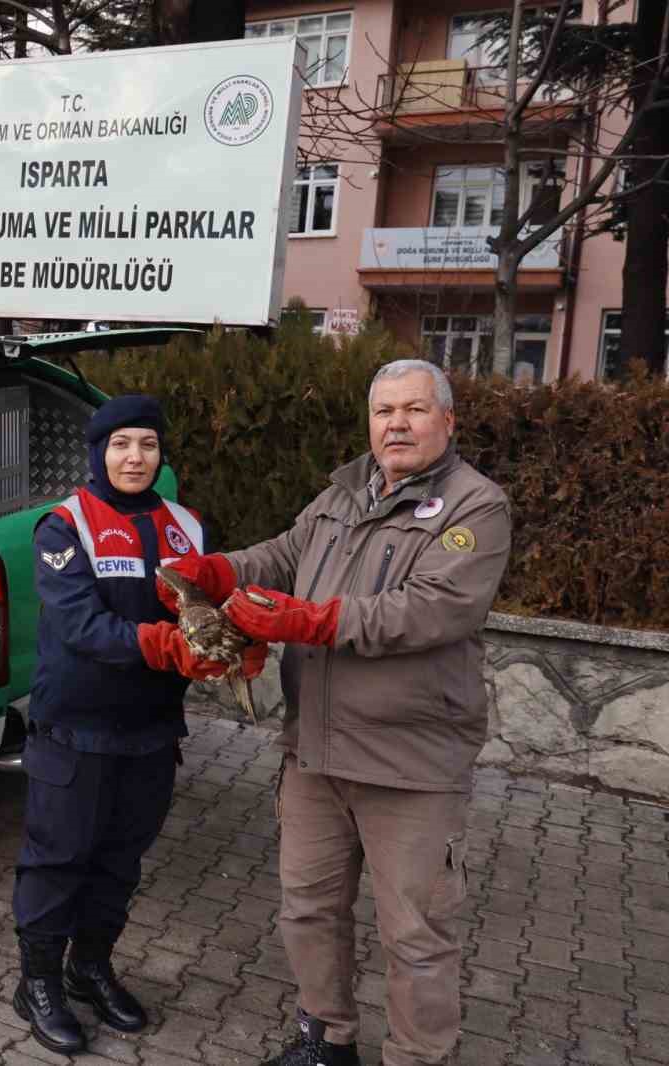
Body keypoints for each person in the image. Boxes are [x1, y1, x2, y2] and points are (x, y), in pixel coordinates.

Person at [163, 359, 511, 1066]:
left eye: (415, 410)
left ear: (448, 421)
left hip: (410, 765)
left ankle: (416, 1057)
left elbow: (435, 609)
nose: (398, 424)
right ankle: (326, 1041)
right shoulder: (342, 495)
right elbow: (284, 555)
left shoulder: (477, 506)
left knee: (415, 935)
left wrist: (313, 621)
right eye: (385, 412)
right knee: (308, 910)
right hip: (315, 754)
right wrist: (220, 571)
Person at [14, 394, 268, 1055]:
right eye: (122, 444)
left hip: (152, 730)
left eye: (148, 445)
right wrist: (165, 646)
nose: (136, 457)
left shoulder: (187, 526)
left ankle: (89, 967)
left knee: (121, 861)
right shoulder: (65, 526)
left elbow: (208, 609)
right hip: (75, 727)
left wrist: (228, 647)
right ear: (99, 451)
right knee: (58, 860)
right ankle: (36, 981)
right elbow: (79, 627)